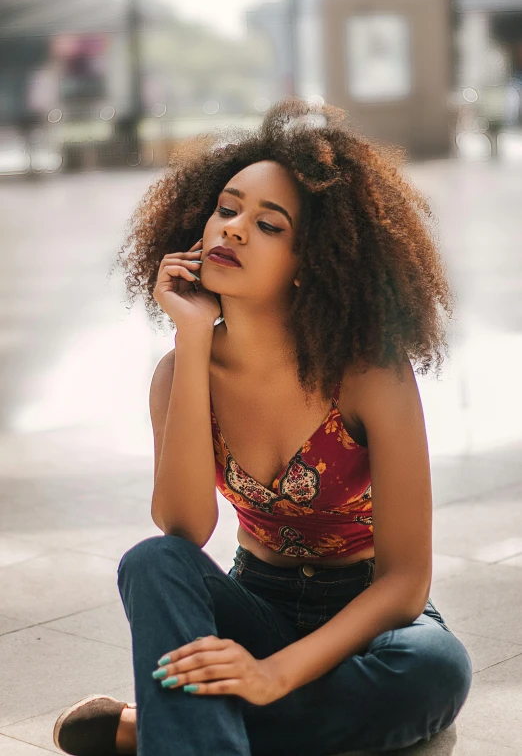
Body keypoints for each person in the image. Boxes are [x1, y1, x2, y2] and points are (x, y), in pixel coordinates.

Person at [53, 98, 472, 756]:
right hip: (258, 603)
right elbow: (185, 530)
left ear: (313, 258)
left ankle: (164, 727)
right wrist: (191, 341)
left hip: (367, 619)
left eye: (269, 224)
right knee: (152, 561)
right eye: (227, 208)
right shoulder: (177, 372)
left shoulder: (369, 374)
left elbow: (404, 582)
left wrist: (273, 674)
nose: (235, 229)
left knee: (434, 670)